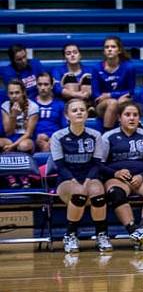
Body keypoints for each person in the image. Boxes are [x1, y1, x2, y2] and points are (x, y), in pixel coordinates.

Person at [96, 101, 143, 249]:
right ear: (119, 117)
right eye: (127, 115)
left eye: (135, 115)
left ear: (139, 118)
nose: (131, 118)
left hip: (142, 176)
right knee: (115, 193)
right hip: (117, 178)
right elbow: (99, 164)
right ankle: (133, 231)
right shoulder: (108, 137)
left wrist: (142, 177)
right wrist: (115, 173)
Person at [49, 99, 105, 253]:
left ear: (87, 114)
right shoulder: (57, 136)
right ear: (67, 116)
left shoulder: (95, 135)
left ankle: (101, 234)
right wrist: (75, 182)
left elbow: (97, 164)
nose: (79, 112)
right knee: (79, 192)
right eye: (74, 110)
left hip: (90, 176)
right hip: (66, 179)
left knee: (98, 193)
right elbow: (60, 166)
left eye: (82, 110)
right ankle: (70, 235)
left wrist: (87, 181)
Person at [92, 36, 136, 131]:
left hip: (122, 100)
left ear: (119, 50)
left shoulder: (129, 67)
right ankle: (106, 136)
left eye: (113, 47)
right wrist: (110, 98)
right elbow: (96, 94)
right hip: (102, 105)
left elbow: (131, 91)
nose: (109, 49)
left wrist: (110, 94)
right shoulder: (96, 68)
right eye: (107, 47)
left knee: (120, 102)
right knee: (113, 103)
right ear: (104, 51)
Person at [1, 80, 39, 153]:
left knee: (23, 146)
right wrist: (13, 116)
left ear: (23, 93)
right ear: (8, 94)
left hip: (25, 138)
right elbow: (9, 132)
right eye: (11, 93)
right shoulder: (5, 106)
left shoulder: (33, 107)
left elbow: (28, 133)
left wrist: (12, 146)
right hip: (10, 138)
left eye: (17, 92)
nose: (14, 96)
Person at [33, 72, 65, 153]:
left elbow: (64, 127)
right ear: (36, 85)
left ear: (51, 85)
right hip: (35, 139)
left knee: (49, 145)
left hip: (55, 139)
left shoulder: (60, 104)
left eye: (46, 84)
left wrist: (54, 138)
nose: (42, 87)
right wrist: (36, 137)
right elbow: (26, 128)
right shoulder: (30, 104)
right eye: (40, 84)